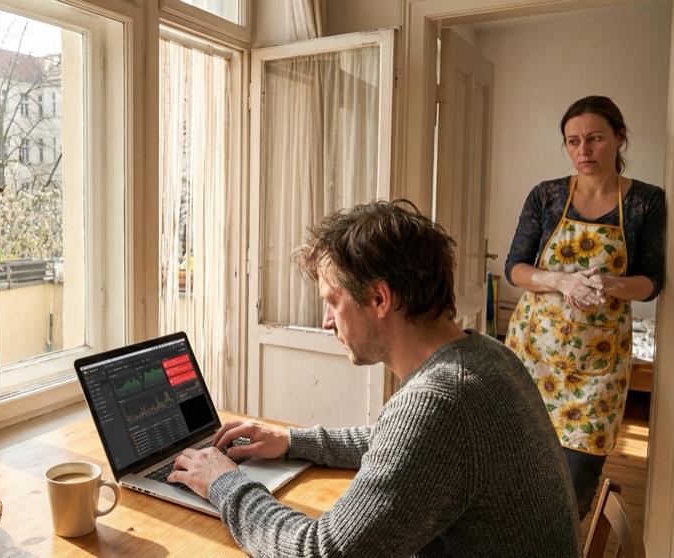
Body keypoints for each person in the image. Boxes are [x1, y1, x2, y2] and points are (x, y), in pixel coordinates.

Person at [168, 200, 582, 557]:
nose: (326, 321)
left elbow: (321, 552)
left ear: (380, 298)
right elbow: (397, 443)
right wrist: (293, 441)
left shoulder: (440, 401)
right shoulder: (486, 356)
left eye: (333, 301)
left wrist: (224, 482)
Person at [504, 95, 666, 520]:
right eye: (573, 141)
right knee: (518, 463)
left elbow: (652, 281)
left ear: (619, 138)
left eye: (594, 139)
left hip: (599, 366)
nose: (584, 151)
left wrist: (605, 283)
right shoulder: (547, 195)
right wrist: (559, 280)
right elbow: (514, 269)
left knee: (577, 478)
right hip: (535, 354)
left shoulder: (645, 202)